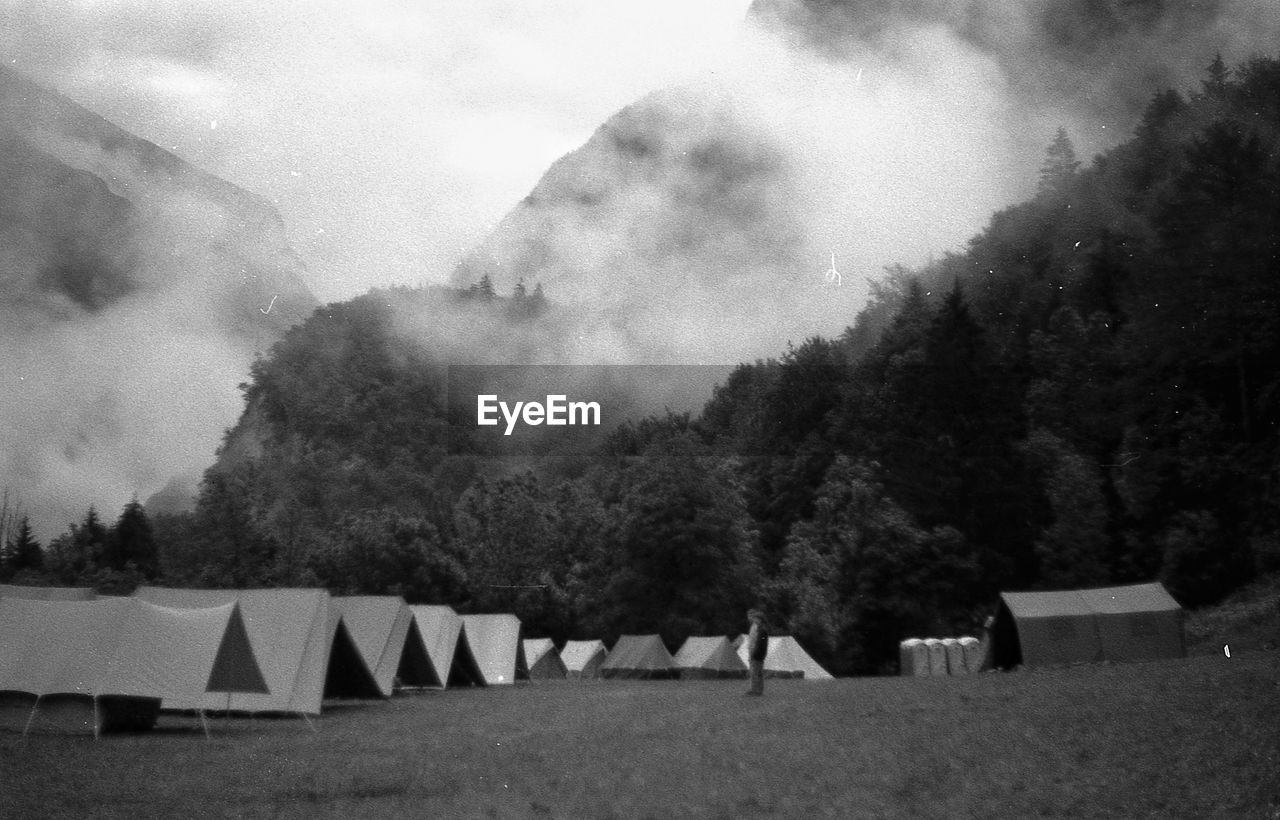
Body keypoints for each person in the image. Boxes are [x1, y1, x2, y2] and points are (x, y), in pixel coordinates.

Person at [745, 608, 769, 695]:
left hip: (757, 653)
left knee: (756, 672)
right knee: (755, 672)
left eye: (753, 617)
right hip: (755, 652)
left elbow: (759, 643)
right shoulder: (756, 628)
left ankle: (757, 690)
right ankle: (754, 689)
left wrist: (754, 653)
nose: (750, 618)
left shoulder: (760, 629)